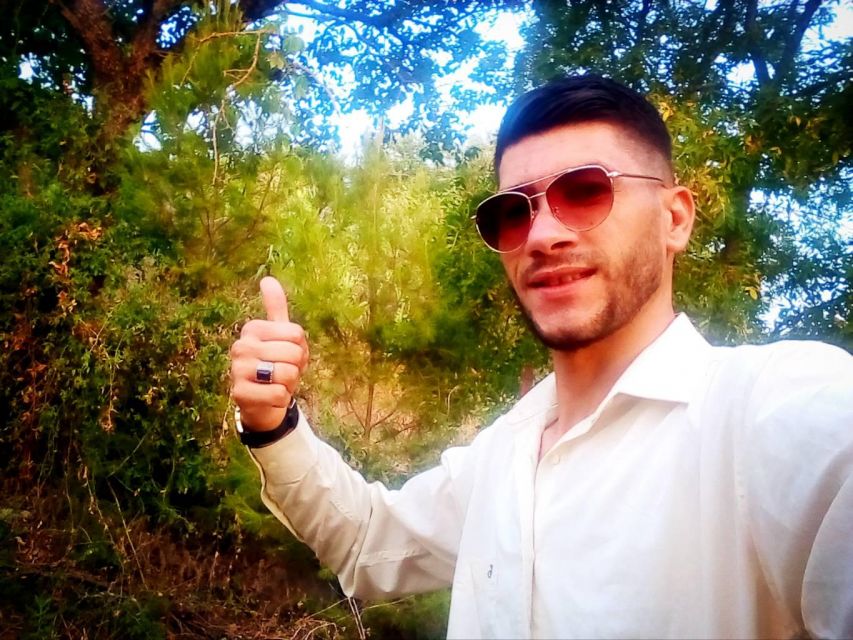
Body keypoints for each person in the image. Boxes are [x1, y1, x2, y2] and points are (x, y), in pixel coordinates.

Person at [229, 75, 853, 639]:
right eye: (513, 211)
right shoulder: (503, 453)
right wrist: (272, 421)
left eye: (586, 191)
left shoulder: (771, 413)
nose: (543, 235)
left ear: (675, 219)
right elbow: (368, 542)